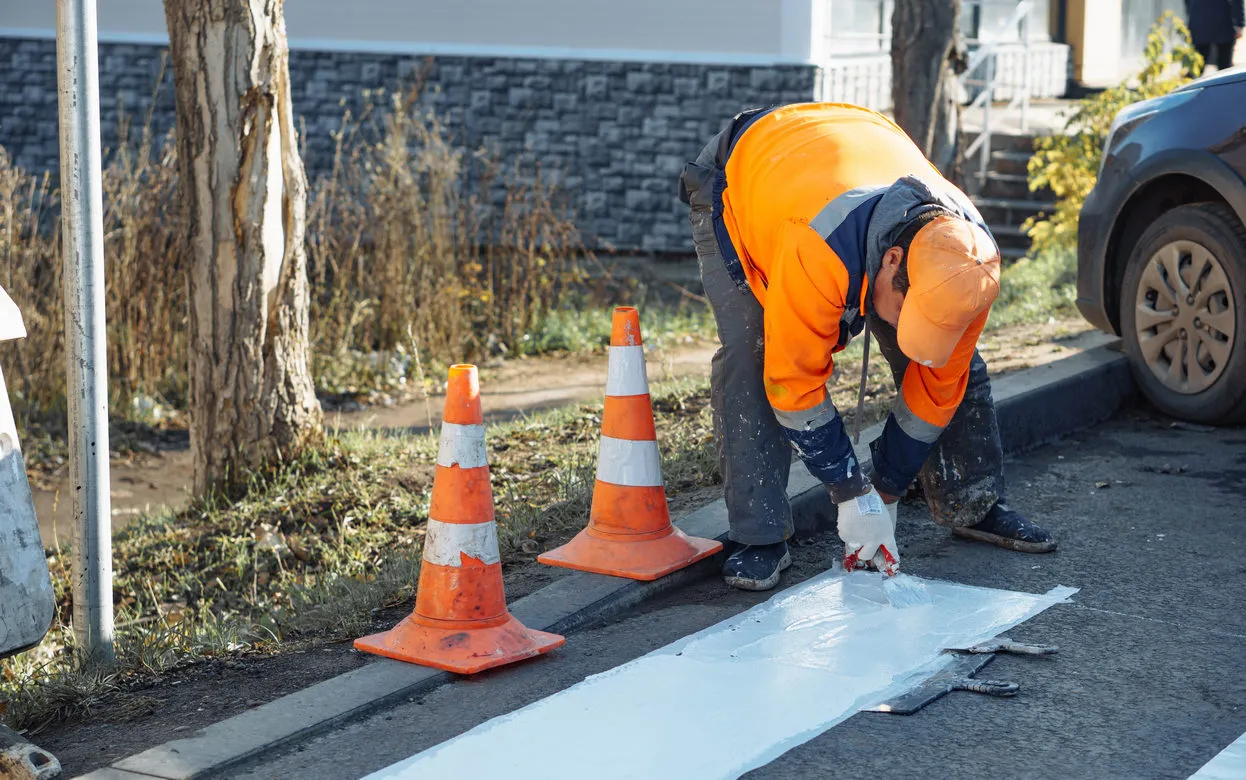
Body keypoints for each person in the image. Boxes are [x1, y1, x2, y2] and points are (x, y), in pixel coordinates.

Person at [677, 102, 1057, 592]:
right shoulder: (816, 246)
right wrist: (850, 491)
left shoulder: (970, 264)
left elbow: (939, 387)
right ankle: (760, 535)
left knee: (951, 364)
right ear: (893, 259)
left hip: (859, 143)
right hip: (747, 176)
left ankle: (972, 501)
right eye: (908, 311)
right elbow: (793, 381)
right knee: (758, 355)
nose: (906, 329)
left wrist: (887, 489)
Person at [1186, 0, 1245, 73]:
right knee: (1197, 65)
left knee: (1197, 65)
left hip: (1204, 22)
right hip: (1222, 21)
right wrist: (1239, 23)